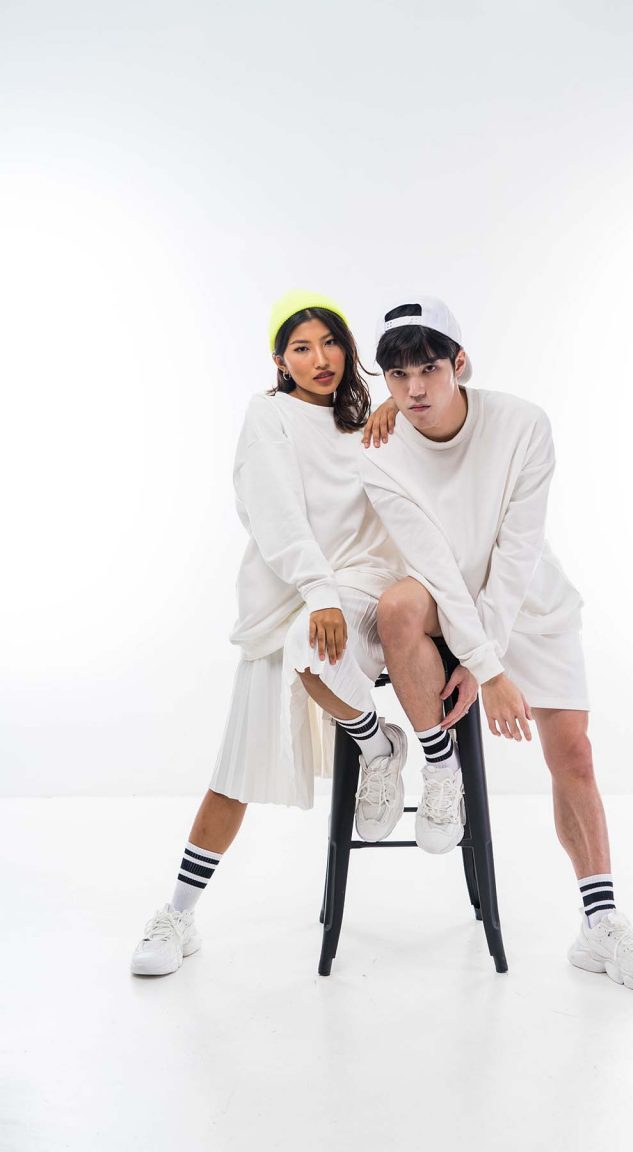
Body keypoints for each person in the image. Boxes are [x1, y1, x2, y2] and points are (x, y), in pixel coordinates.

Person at [357, 296, 633, 994]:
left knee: (574, 755)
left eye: (429, 369)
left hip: (529, 604)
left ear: (460, 363)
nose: (415, 389)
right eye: (398, 376)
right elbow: (435, 565)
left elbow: (517, 550)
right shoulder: (379, 449)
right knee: (398, 602)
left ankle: (600, 923)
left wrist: (490, 665)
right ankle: (440, 767)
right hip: (445, 602)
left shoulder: (524, 424)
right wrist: (482, 662)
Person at [130, 291, 408, 977]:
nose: (320, 359)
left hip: (364, 594)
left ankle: (376, 747)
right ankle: (178, 915)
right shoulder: (270, 415)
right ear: (280, 361)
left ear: (348, 348)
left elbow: (457, 397)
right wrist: (317, 592)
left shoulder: (370, 425)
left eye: (330, 343)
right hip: (295, 601)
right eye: (301, 348)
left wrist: (399, 405)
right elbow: (275, 512)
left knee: (314, 646)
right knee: (235, 772)